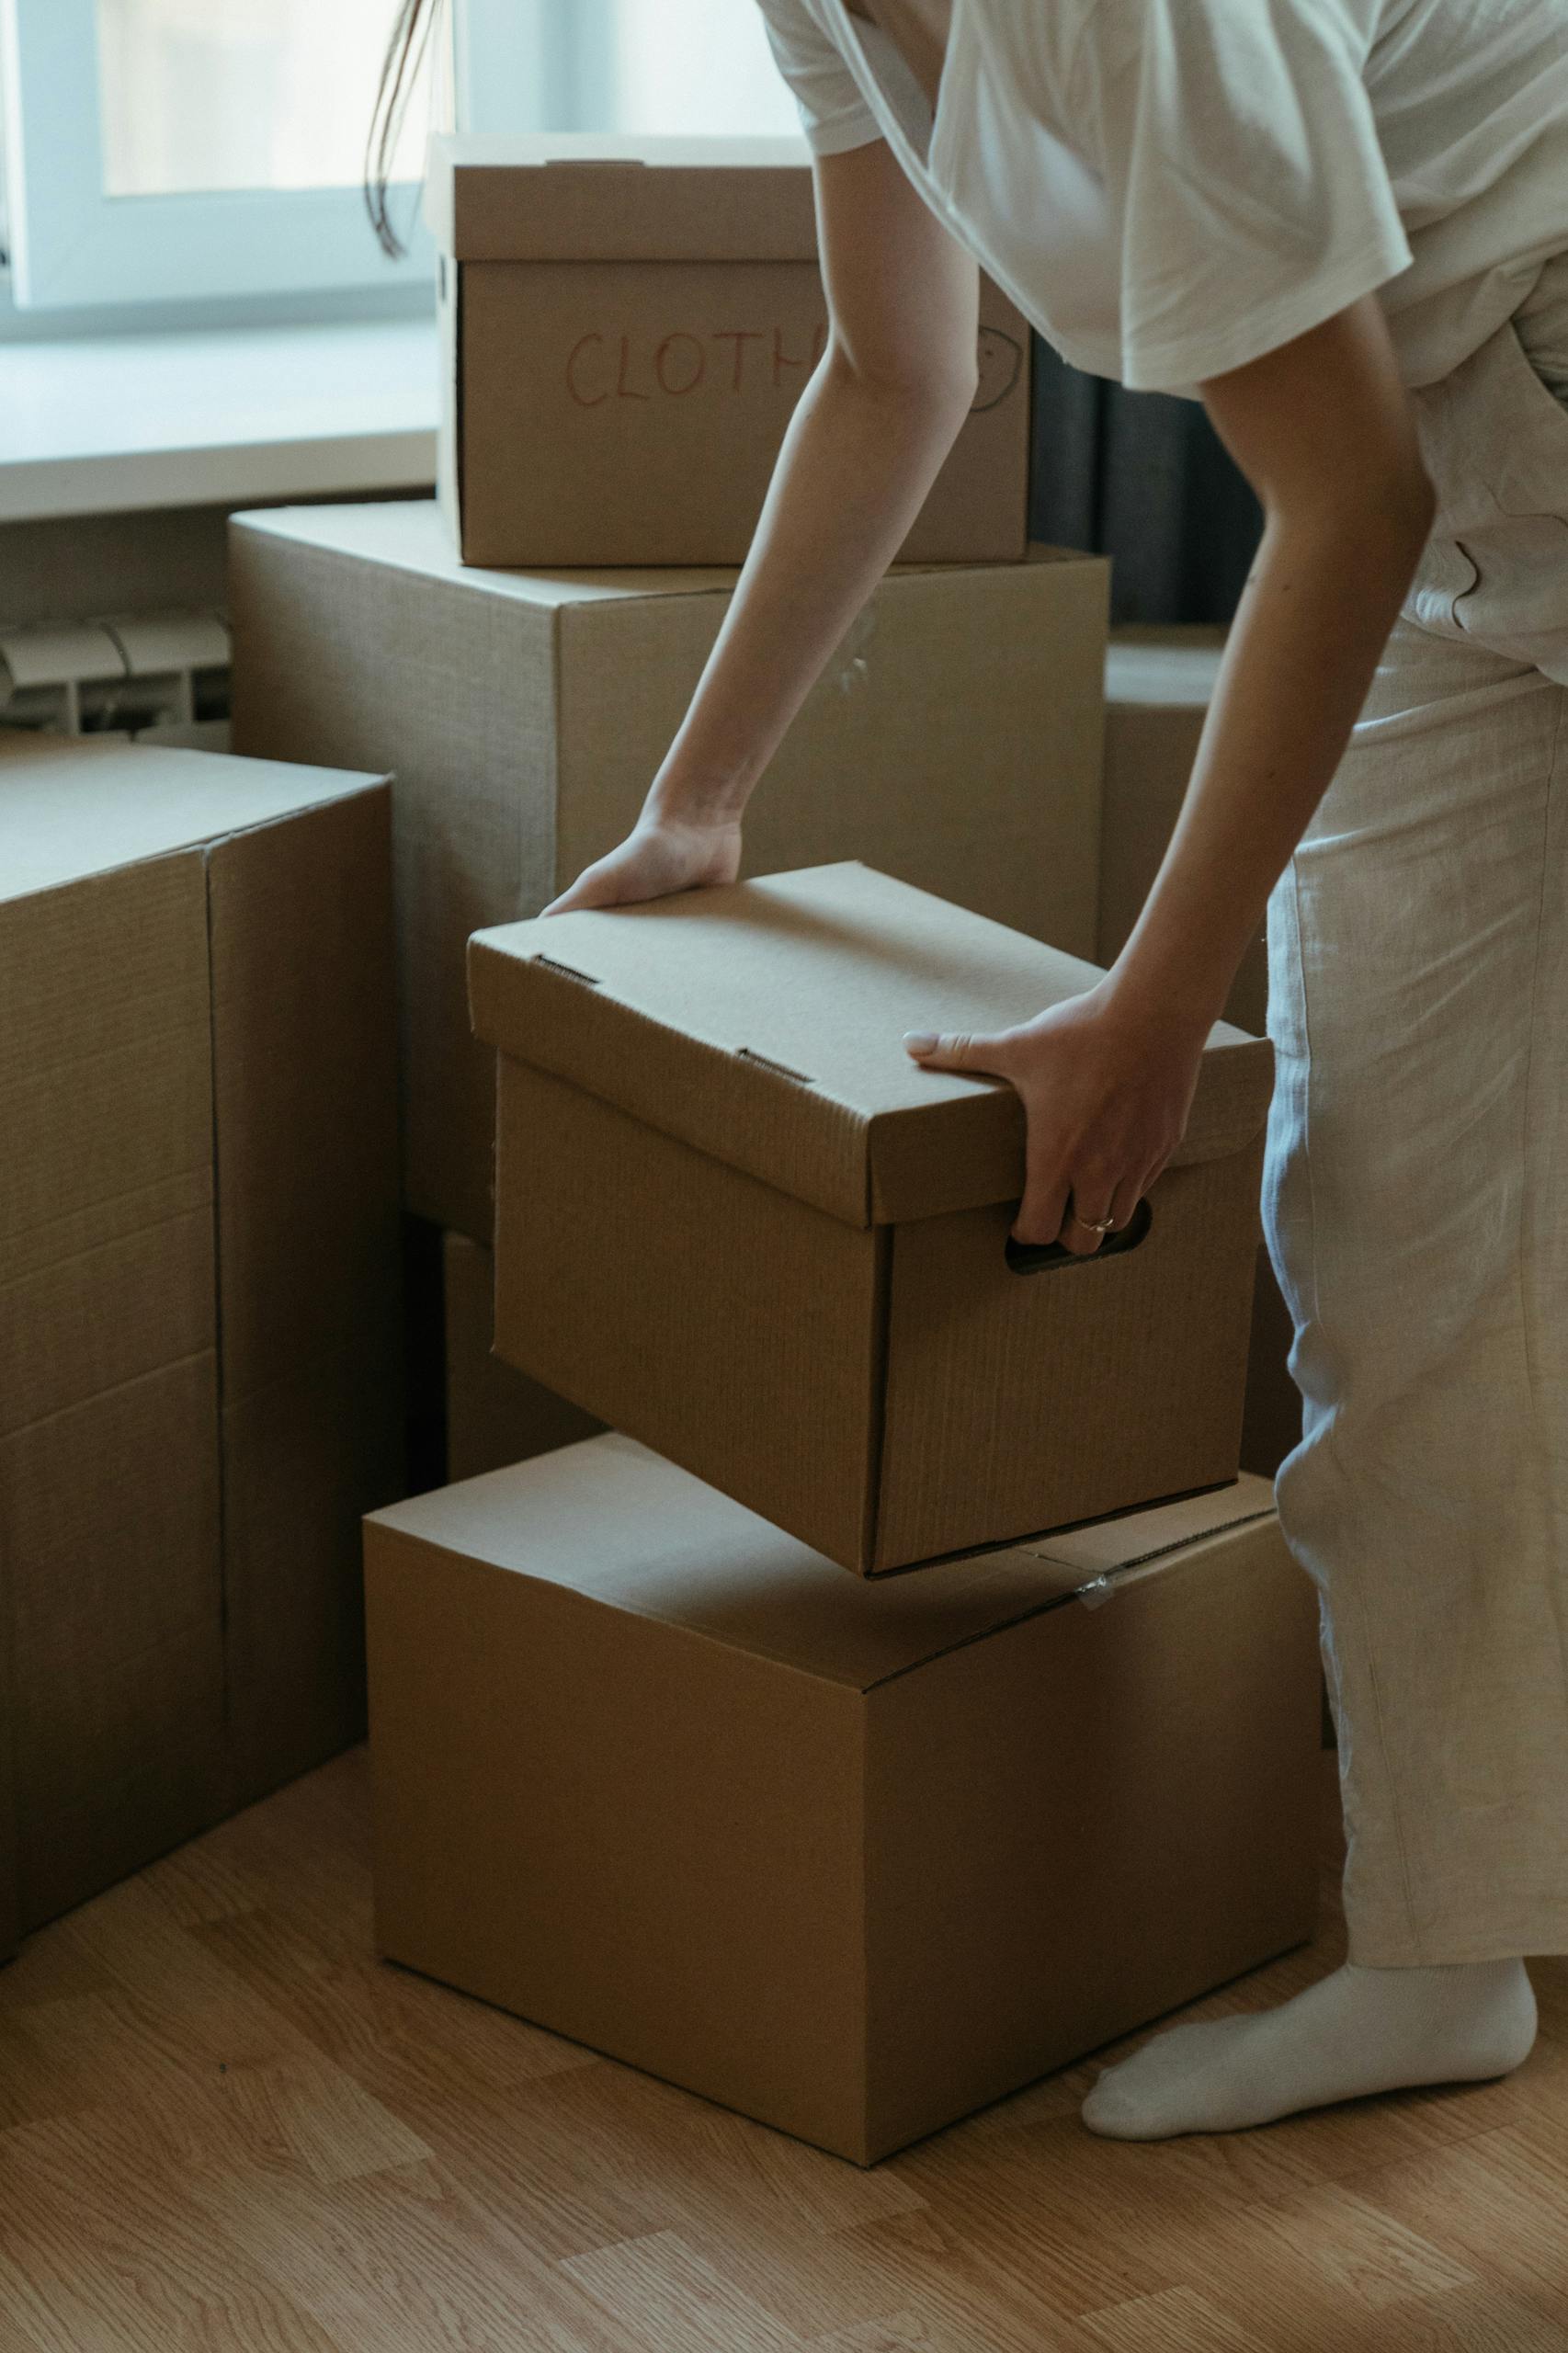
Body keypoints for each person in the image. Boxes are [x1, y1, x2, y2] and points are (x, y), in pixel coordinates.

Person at [374, 0, 1568, 2140]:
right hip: (1442, 486)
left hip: (1483, 391)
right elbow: (889, 363)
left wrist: (1144, 1005)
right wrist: (697, 803)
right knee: (1382, 1225)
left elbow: (1342, 490)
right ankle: (1442, 1944)